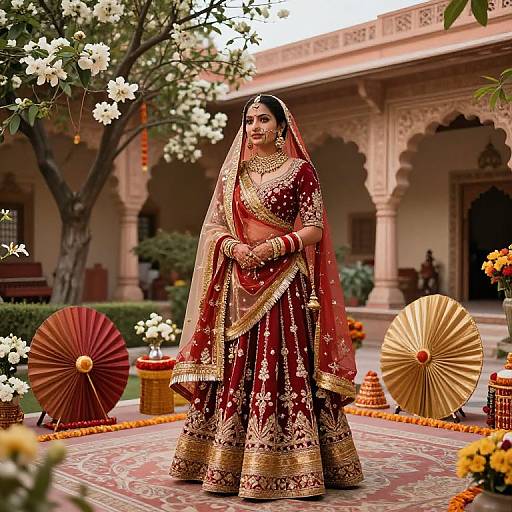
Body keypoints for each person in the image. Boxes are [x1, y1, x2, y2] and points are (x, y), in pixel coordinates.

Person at [169, 94, 363, 499]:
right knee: (238, 365)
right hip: (237, 282)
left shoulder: (300, 171)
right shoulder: (232, 177)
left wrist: (275, 248)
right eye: (250, 120)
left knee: (283, 361)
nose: (255, 127)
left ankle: (297, 464)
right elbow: (213, 227)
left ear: (281, 126)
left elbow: (314, 228)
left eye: (264, 119)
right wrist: (233, 247)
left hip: (285, 282)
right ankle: (223, 461)